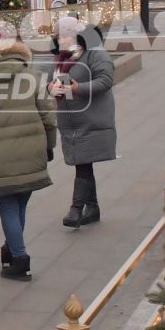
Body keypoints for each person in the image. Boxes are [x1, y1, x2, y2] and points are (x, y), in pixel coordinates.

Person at [0, 27, 56, 280]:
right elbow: (48, 115)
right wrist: (49, 146)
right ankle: (12, 248)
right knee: (19, 204)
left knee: (7, 206)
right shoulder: (31, 76)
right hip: (31, 149)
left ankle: (19, 257)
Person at [50, 15, 116, 228]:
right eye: (59, 35)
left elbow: (105, 80)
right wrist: (51, 88)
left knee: (83, 164)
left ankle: (76, 209)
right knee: (83, 162)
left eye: (67, 34)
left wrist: (78, 88)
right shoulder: (62, 58)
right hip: (71, 121)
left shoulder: (95, 53)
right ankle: (93, 208)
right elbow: (52, 81)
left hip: (91, 119)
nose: (62, 39)